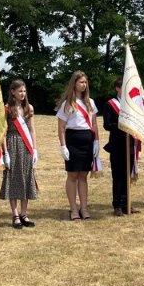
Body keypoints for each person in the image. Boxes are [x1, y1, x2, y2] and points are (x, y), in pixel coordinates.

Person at [56, 70, 99, 220]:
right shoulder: (67, 104)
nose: (84, 85)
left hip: (87, 140)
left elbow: (94, 124)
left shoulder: (90, 102)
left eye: (85, 82)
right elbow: (61, 127)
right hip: (73, 140)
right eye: (81, 82)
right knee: (73, 175)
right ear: (74, 83)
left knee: (83, 176)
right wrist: (63, 146)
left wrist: (97, 142)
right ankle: (73, 209)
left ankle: (84, 208)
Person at [0, 79, 38, 228]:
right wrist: (5, 153)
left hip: (26, 145)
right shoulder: (7, 108)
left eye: (24, 91)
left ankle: (24, 213)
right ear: (12, 92)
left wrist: (35, 149)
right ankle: (15, 214)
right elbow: (3, 132)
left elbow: (32, 129)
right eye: (20, 91)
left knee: (26, 178)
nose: (22, 94)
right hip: (12, 144)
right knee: (14, 178)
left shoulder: (29, 108)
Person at [102, 77, 139, 216]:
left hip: (130, 145)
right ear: (117, 88)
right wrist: (122, 124)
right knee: (118, 176)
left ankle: (126, 203)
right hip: (117, 145)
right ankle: (117, 205)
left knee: (127, 175)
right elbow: (107, 125)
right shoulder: (110, 104)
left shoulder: (132, 104)